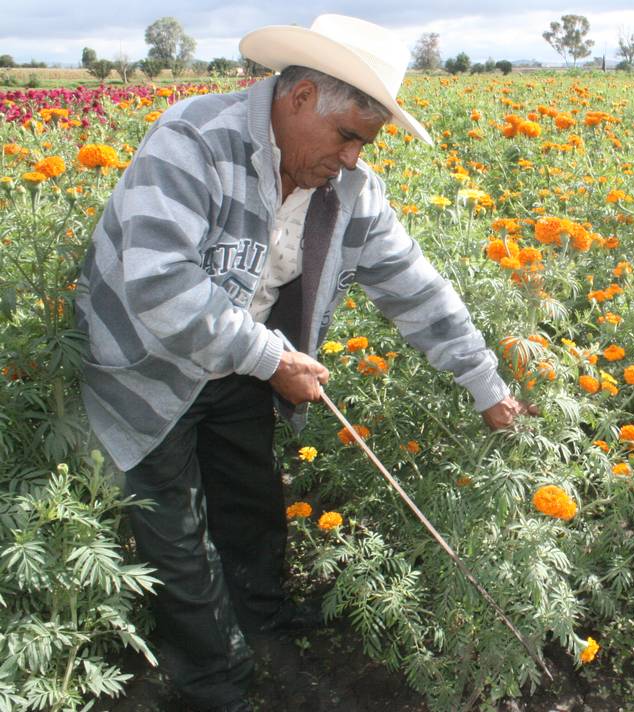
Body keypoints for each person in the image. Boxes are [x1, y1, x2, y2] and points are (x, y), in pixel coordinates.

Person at [75, 14, 533, 712]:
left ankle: (263, 626)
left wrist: (484, 382)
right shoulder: (193, 138)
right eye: (347, 135)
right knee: (177, 536)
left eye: (365, 142)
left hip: (236, 362)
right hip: (142, 363)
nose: (352, 157)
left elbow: (414, 286)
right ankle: (215, 684)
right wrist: (269, 356)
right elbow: (157, 283)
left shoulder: (349, 191)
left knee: (250, 501)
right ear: (298, 98)